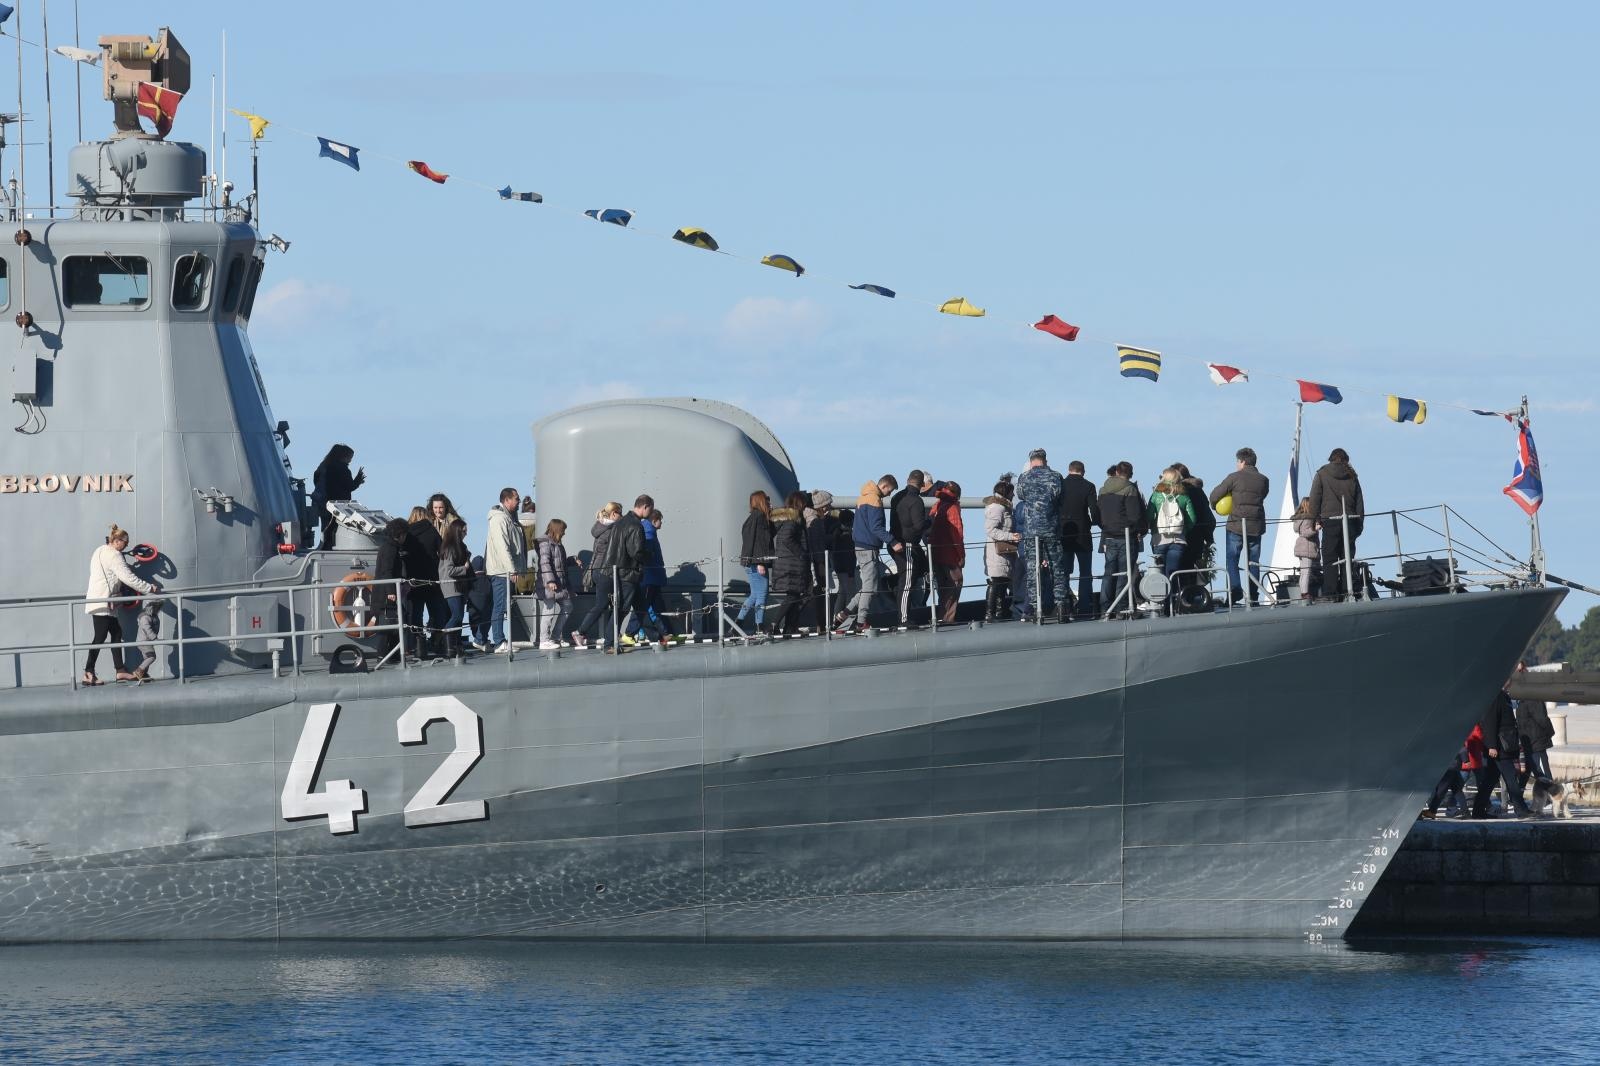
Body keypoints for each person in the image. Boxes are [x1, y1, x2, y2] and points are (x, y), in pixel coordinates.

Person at [82, 524, 157, 685]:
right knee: (100, 637)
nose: (126, 546)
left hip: (101, 600)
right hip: (104, 602)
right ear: (116, 541)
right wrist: (149, 588)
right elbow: (128, 578)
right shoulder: (115, 555)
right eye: (125, 542)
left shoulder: (99, 550)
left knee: (116, 634)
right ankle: (88, 672)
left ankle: (120, 671)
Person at [585, 495, 652, 653]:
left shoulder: (620, 523)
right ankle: (609, 644)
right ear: (645, 507)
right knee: (621, 609)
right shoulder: (636, 525)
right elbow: (636, 552)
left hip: (615, 571)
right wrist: (649, 555)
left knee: (639, 607)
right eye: (651, 508)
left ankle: (659, 637)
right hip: (628, 573)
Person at [1208, 447, 1270, 604]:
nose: (1237, 464)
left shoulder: (1234, 477)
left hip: (1236, 525)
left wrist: (1215, 506)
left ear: (1242, 461)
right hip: (1256, 526)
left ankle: (1235, 591)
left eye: (1237, 461)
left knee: (1232, 560)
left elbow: (1214, 495)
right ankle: (1254, 594)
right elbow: (1263, 495)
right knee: (1253, 561)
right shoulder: (1264, 480)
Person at [1015, 448, 1070, 623]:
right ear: (1045, 460)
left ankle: (1034, 609)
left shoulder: (1024, 478)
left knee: (1033, 569)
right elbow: (1061, 500)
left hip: (1031, 531)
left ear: (1031, 461)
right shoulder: (1056, 477)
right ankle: (1061, 606)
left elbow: (1021, 496)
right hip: (1051, 528)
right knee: (1056, 568)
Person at [841, 481, 901, 633]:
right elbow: (876, 527)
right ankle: (861, 622)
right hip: (868, 547)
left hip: (860, 546)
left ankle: (845, 613)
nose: (889, 494)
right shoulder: (875, 499)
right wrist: (892, 541)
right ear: (885, 486)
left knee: (868, 586)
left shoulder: (863, 497)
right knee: (871, 588)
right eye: (890, 490)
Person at [1310, 447, 1365, 600]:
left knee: (1329, 558)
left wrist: (1314, 520)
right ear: (1346, 459)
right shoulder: (1352, 476)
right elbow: (1360, 503)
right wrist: (1359, 524)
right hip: (1350, 521)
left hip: (1330, 521)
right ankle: (1348, 591)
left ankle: (1331, 593)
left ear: (1331, 459)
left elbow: (1314, 499)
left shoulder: (1322, 474)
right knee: (1347, 556)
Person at [1098, 462, 1145, 618]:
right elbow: (1134, 516)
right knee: (1124, 574)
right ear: (1130, 473)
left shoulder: (1103, 490)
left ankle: (1105, 608)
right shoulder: (1130, 489)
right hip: (1126, 537)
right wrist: (1138, 530)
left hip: (1108, 536)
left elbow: (1099, 514)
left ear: (1117, 471)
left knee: (1109, 573)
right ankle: (1121, 609)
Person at [485, 487, 528, 653]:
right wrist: (512, 570)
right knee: (500, 605)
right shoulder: (499, 519)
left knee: (503, 605)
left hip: (506, 570)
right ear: (507, 500)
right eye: (516, 499)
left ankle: (500, 639)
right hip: (501, 571)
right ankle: (499, 641)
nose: (519, 502)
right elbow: (503, 547)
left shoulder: (510, 518)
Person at [1479, 686, 1533, 817]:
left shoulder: (1504, 696)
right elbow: (1490, 722)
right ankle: (1521, 809)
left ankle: (1478, 811)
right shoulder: (1496, 697)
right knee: (1511, 779)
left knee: (1489, 781)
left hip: (1504, 746)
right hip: (1499, 748)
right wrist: (1491, 745)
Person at [1147, 468, 1197, 609]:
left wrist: (1153, 529)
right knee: (1173, 572)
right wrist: (1183, 530)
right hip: (1178, 540)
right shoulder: (1184, 496)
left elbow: (1149, 516)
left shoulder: (1156, 495)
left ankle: (1159, 603)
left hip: (1159, 539)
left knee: (1160, 573)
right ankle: (1173, 603)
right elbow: (1192, 518)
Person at [764, 492, 813, 636]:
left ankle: (789, 627)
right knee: (793, 596)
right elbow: (786, 538)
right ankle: (774, 625)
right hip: (792, 564)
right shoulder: (793, 519)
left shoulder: (788, 518)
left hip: (789, 563)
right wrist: (801, 553)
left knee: (796, 595)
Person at [573, 503, 621, 649]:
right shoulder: (612, 529)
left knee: (606, 604)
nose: (622, 516)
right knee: (604, 604)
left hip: (597, 569)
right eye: (620, 513)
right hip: (605, 571)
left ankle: (609, 635)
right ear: (613, 514)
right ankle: (581, 632)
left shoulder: (600, 527)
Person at [1058, 461, 1101, 618]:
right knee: (1085, 572)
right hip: (1083, 533)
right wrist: (1096, 522)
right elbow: (1093, 509)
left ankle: (1064, 605)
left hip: (1064, 533)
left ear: (1069, 470)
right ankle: (1084, 607)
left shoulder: (1060, 484)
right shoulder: (1088, 486)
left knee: (1063, 572)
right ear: (1083, 471)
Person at [890, 470, 932, 624]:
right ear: (922, 485)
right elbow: (919, 525)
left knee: (913, 575)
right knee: (907, 582)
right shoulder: (916, 501)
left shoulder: (897, 497)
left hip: (897, 542)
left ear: (907, 480)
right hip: (907, 545)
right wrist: (930, 521)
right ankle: (904, 619)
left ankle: (894, 586)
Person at [406, 505, 448, 655]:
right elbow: (443, 551)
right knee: (437, 612)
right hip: (432, 579)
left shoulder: (407, 534)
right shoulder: (431, 531)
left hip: (414, 581)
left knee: (415, 614)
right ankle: (439, 642)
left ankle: (418, 645)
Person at [626, 509, 670, 646]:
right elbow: (648, 555)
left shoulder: (649, 530)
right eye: (660, 519)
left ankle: (666, 633)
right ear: (654, 520)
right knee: (643, 606)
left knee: (657, 606)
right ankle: (629, 633)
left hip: (652, 576)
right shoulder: (649, 532)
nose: (661, 522)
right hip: (649, 576)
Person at [312, 444, 365, 550]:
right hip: (338, 506)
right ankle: (329, 548)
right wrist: (358, 479)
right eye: (350, 457)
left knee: (325, 528)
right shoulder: (343, 469)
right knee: (335, 531)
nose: (350, 460)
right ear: (344, 456)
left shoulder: (324, 466)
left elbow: (316, 480)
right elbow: (350, 486)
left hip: (322, 503)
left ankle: (324, 548)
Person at [1171, 463, 1215, 590]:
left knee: (1178, 568)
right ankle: (1194, 596)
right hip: (1198, 535)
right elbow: (1208, 516)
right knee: (1193, 567)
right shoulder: (1198, 491)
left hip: (1179, 534)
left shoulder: (1175, 491)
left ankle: (1180, 598)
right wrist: (1209, 537)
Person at [1513, 662, 1556, 791]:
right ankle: (1518, 796)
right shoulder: (1524, 698)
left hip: (1536, 741)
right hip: (1530, 741)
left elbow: (1541, 719)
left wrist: (1549, 733)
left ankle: (1551, 794)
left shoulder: (1529, 698)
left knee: (1541, 770)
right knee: (1533, 768)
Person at [373, 518, 411, 659]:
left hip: (385, 592)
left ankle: (394, 654)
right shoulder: (390, 549)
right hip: (385, 594)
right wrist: (391, 592)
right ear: (400, 534)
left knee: (396, 622)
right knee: (388, 624)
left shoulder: (389, 547)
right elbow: (386, 571)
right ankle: (382, 655)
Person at [983, 476, 1020, 621]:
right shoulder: (997, 508)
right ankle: (990, 613)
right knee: (996, 581)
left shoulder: (1003, 507)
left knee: (1002, 581)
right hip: (997, 551)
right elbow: (991, 530)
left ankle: (999, 612)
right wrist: (1010, 536)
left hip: (1004, 551)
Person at [737, 491, 774, 631]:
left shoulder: (753, 517)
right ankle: (759, 625)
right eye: (767, 500)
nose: (769, 502)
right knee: (762, 595)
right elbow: (759, 541)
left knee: (754, 595)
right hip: (757, 562)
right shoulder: (759, 518)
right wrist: (759, 562)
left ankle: (738, 623)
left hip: (750, 561)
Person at [929, 481, 965, 624]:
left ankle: (939, 615)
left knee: (943, 587)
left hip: (936, 553)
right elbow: (957, 533)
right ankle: (947, 618)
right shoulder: (953, 508)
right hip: (949, 554)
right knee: (955, 583)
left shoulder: (937, 505)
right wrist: (961, 555)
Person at [536, 519, 576, 650]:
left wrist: (572, 561)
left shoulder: (558, 544)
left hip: (560, 583)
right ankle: (544, 640)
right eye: (563, 530)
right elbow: (545, 562)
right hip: (549, 583)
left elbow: (560, 562)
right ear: (557, 530)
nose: (564, 533)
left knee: (568, 606)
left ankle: (555, 636)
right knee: (548, 610)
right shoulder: (545, 543)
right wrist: (550, 581)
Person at [437, 517, 473, 659]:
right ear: (458, 531)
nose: (466, 534)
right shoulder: (450, 548)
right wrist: (464, 568)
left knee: (459, 617)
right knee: (457, 615)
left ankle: (456, 646)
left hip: (458, 586)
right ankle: (444, 638)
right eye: (464, 531)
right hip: (451, 585)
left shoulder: (457, 547)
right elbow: (449, 570)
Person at [129, 595, 163, 682]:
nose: (157, 608)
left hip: (146, 641)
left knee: (146, 658)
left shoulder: (153, 616)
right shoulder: (145, 617)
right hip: (143, 642)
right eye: (156, 606)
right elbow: (146, 628)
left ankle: (144, 675)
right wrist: (154, 638)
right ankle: (139, 671)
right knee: (151, 657)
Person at [464, 554, 492, 651]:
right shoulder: (488, 580)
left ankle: (479, 639)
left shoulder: (470, 580)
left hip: (473, 609)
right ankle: (482, 640)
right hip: (485, 610)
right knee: (485, 623)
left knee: (474, 625)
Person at [1292, 497, 1319, 601]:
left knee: (1303, 572)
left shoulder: (1299, 518)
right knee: (1306, 572)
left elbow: (1300, 531)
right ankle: (1305, 593)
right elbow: (1306, 532)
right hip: (1307, 547)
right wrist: (1315, 529)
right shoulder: (1308, 518)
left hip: (1301, 546)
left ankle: (1303, 591)